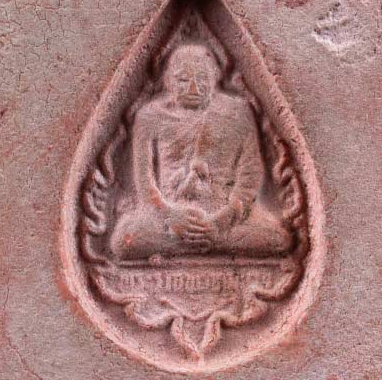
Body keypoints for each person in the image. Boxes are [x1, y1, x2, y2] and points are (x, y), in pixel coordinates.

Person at [110, 42, 293, 260]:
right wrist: (170, 216)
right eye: (183, 80)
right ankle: (206, 243)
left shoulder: (237, 112)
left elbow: (250, 174)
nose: (193, 89)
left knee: (278, 238)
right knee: (124, 240)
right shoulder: (150, 116)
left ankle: (204, 240)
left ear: (215, 77)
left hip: (225, 218)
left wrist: (220, 222)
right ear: (168, 80)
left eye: (202, 79)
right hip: (168, 217)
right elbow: (145, 183)